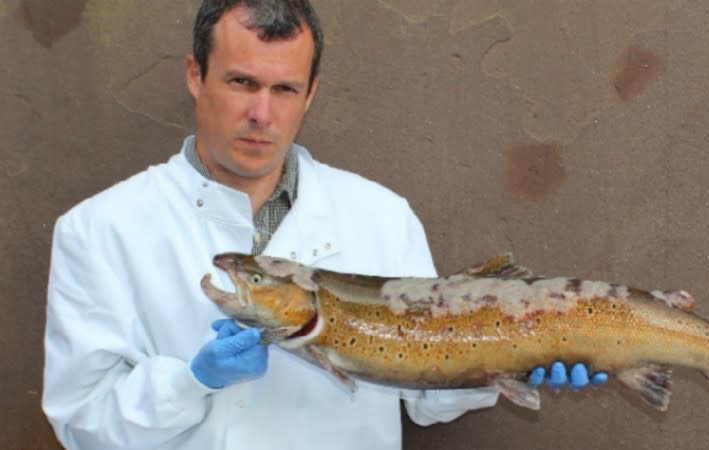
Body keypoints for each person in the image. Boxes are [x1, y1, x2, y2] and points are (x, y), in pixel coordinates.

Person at [42, 1, 607, 449]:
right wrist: (192, 381)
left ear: (310, 93)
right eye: (242, 83)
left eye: (284, 89)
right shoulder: (98, 230)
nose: (262, 113)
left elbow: (426, 400)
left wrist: (511, 364)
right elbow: (82, 425)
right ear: (196, 76)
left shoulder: (380, 214)